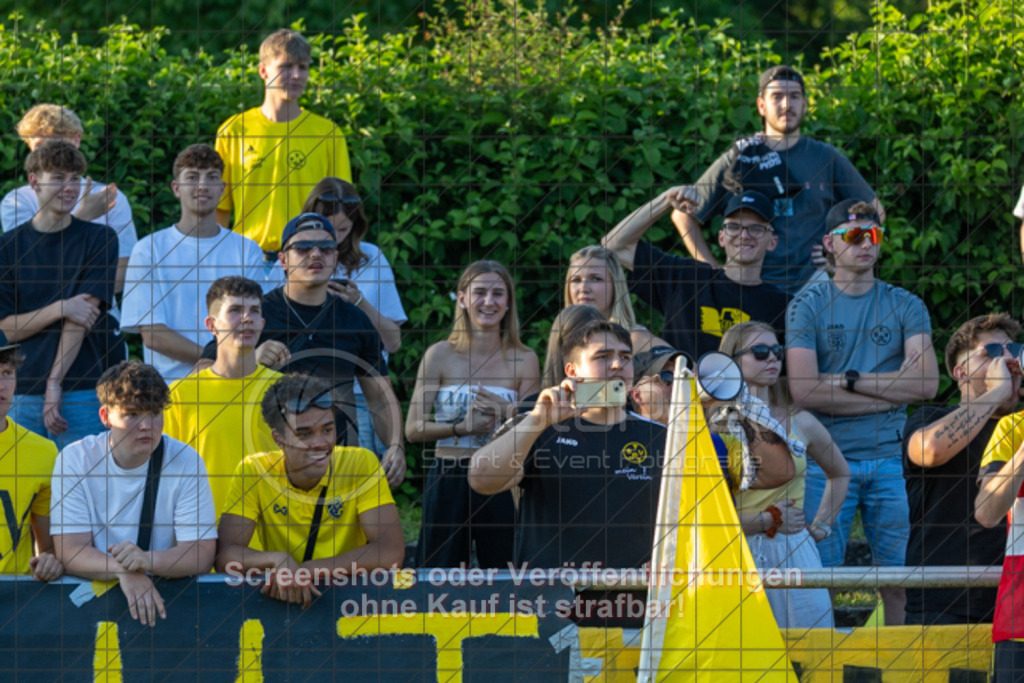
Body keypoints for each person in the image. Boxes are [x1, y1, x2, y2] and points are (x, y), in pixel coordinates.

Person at [787, 199, 939, 625]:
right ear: (829, 245)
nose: (865, 243)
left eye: (873, 235)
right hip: (824, 460)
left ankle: (898, 670)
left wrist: (846, 380)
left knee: (898, 581)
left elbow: (927, 384)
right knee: (820, 580)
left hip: (888, 457)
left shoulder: (906, 303)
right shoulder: (807, 304)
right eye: (853, 235)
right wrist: (893, 390)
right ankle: (822, 669)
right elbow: (803, 391)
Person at [202, 212, 406, 487]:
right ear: (283, 260)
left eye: (325, 248)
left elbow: (380, 399)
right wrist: (249, 359)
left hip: (334, 461)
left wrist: (396, 446)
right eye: (303, 248)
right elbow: (202, 377)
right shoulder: (256, 313)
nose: (315, 254)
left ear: (335, 258)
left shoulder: (355, 320)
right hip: (264, 461)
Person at [468, 318, 664, 573]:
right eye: (603, 356)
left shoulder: (660, 435)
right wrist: (538, 421)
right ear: (572, 371)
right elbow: (481, 480)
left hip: (635, 601)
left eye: (625, 357)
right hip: (550, 602)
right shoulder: (536, 425)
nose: (618, 364)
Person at [673, 65, 884, 293]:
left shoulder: (826, 158)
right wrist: (713, 271)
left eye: (794, 96)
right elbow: (683, 215)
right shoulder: (740, 159)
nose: (786, 104)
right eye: (777, 96)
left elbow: (875, 211)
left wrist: (840, 255)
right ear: (761, 105)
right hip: (749, 290)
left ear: (804, 104)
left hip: (813, 292)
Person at [51, 361, 217, 626]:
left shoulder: (187, 459)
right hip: (93, 609)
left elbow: (201, 553)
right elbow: (69, 551)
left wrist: (145, 560)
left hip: (169, 605)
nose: (146, 425)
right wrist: (124, 570)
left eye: (154, 412)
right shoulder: (75, 459)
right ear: (105, 417)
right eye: (132, 414)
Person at [215, 374, 404, 607]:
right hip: (281, 601)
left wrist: (305, 571)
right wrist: (279, 560)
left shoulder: (360, 463)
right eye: (304, 434)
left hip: (349, 602)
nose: (320, 443)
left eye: (327, 430)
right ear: (278, 439)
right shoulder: (254, 470)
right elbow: (225, 557)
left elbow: (390, 552)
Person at [406, 261, 539, 568]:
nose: (488, 302)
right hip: (449, 474)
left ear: (508, 304)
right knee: (439, 572)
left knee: (506, 570)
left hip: (504, 478)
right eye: (479, 292)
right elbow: (413, 429)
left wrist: (506, 411)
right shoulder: (439, 354)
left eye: (497, 294)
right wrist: (460, 428)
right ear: (462, 298)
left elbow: (536, 425)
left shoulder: (525, 358)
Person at [719, 321, 849, 629]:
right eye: (760, 352)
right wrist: (765, 520)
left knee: (810, 652)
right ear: (732, 361)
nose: (773, 359)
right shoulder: (714, 424)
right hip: (732, 550)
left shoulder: (801, 421)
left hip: (793, 549)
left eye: (778, 351)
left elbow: (841, 473)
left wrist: (822, 525)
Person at [0, 141, 126, 446]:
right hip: (22, 391)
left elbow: (81, 318)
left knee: (82, 486)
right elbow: (6, 329)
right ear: (34, 181)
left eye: (75, 179)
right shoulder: (7, 246)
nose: (69, 187)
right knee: (23, 488)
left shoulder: (100, 239)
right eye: (58, 178)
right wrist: (61, 307)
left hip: (82, 388)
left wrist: (54, 383)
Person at [905, 314, 1020, 625]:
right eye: (992, 353)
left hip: (1015, 603)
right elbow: (930, 450)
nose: (1008, 360)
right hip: (945, 602)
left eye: (1015, 350)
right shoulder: (929, 417)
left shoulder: (1019, 427)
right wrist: (996, 392)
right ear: (960, 372)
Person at [121, 144, 266, 382]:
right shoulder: (148, 250)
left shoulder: (246, 249)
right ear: (176, 188)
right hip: (171, 390)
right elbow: (153, 334)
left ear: (222, 189)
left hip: (235, 385)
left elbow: (255, 321)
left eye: (211, 177)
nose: (202, 185)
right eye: (192, 177)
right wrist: (216, 360)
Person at [215, 29, 351, 265]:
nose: (296, 75)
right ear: (263, 70)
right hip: (246, 262)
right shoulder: (234, 131)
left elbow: (343, 213)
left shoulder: (328, 134)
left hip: (309, 261)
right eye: (286, 67)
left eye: (303, 67)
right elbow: (219, 209)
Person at [604, 188, 790, 360]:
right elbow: (614, 245)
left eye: (756, 229)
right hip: (679, 393)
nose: (744, 235)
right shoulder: (686, 277)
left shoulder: (784, 306)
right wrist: (665, 200)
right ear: (721, 238)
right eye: (734, 227)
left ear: (772, 242)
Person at [301, 178, 407, 455]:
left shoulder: (371, 258)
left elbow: (394, 342)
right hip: (307, 396)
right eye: (327, 230)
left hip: (363, 395)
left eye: (343, 229)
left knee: (365, 487)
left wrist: (359, 303)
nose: (335, 239)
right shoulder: (292, 259)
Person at [163, 276, 281, 518]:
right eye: (235, 310)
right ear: (212, 324)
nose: (247, 318)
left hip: (272, 531)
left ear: (262, 323)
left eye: (254, 311)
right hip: (204, 530)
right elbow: (165, 473)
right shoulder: (181, 394)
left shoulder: (285, 389)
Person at [1, 104, 137, 294]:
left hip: (97, 318)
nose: (48, 155)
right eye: (38, 147)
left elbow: (121, 274)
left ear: (76, 140)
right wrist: (83, 216)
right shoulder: (16, 202)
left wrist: (79, 305)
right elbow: (30, 269)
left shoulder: (110, 198)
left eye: (56, 144)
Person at [0, 342, 62, 582]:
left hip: (13, 601)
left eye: (7, 373)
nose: (2, 385)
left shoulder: (44, 452)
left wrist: (50, 564)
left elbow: (49, 549)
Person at [563, 245, 663, 354]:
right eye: (576, 280)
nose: (583, 288)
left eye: (596, 279)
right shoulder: (564, 340)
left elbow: (679, 366)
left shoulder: (635, 339)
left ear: (615, 285)